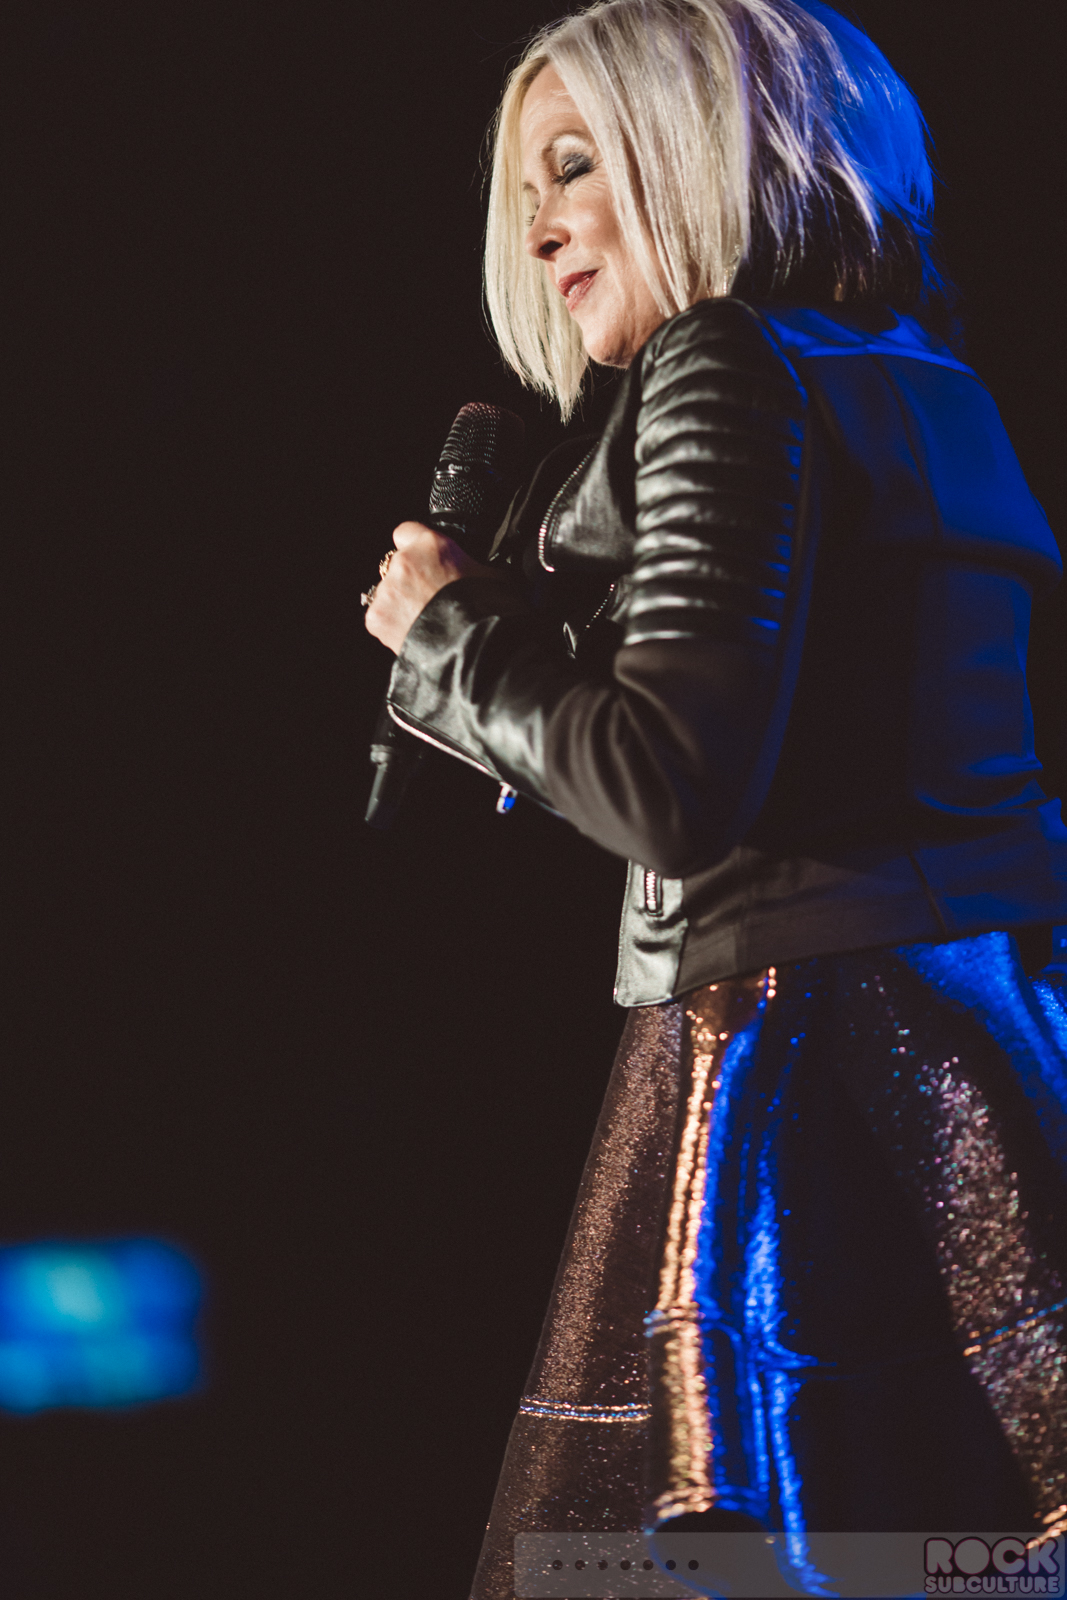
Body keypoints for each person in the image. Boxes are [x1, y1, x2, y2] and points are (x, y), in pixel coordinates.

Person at [364, 0, 1067, 1593]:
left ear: (702, 150)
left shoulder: (722, 362)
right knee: (959, 1543)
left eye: (573, 163)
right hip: (994, 1033)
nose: (540, 226)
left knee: (712, 1553)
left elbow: (666, 785)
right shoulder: (930, 380)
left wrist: (448, 639)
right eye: (525, 188)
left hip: (801, 1062)